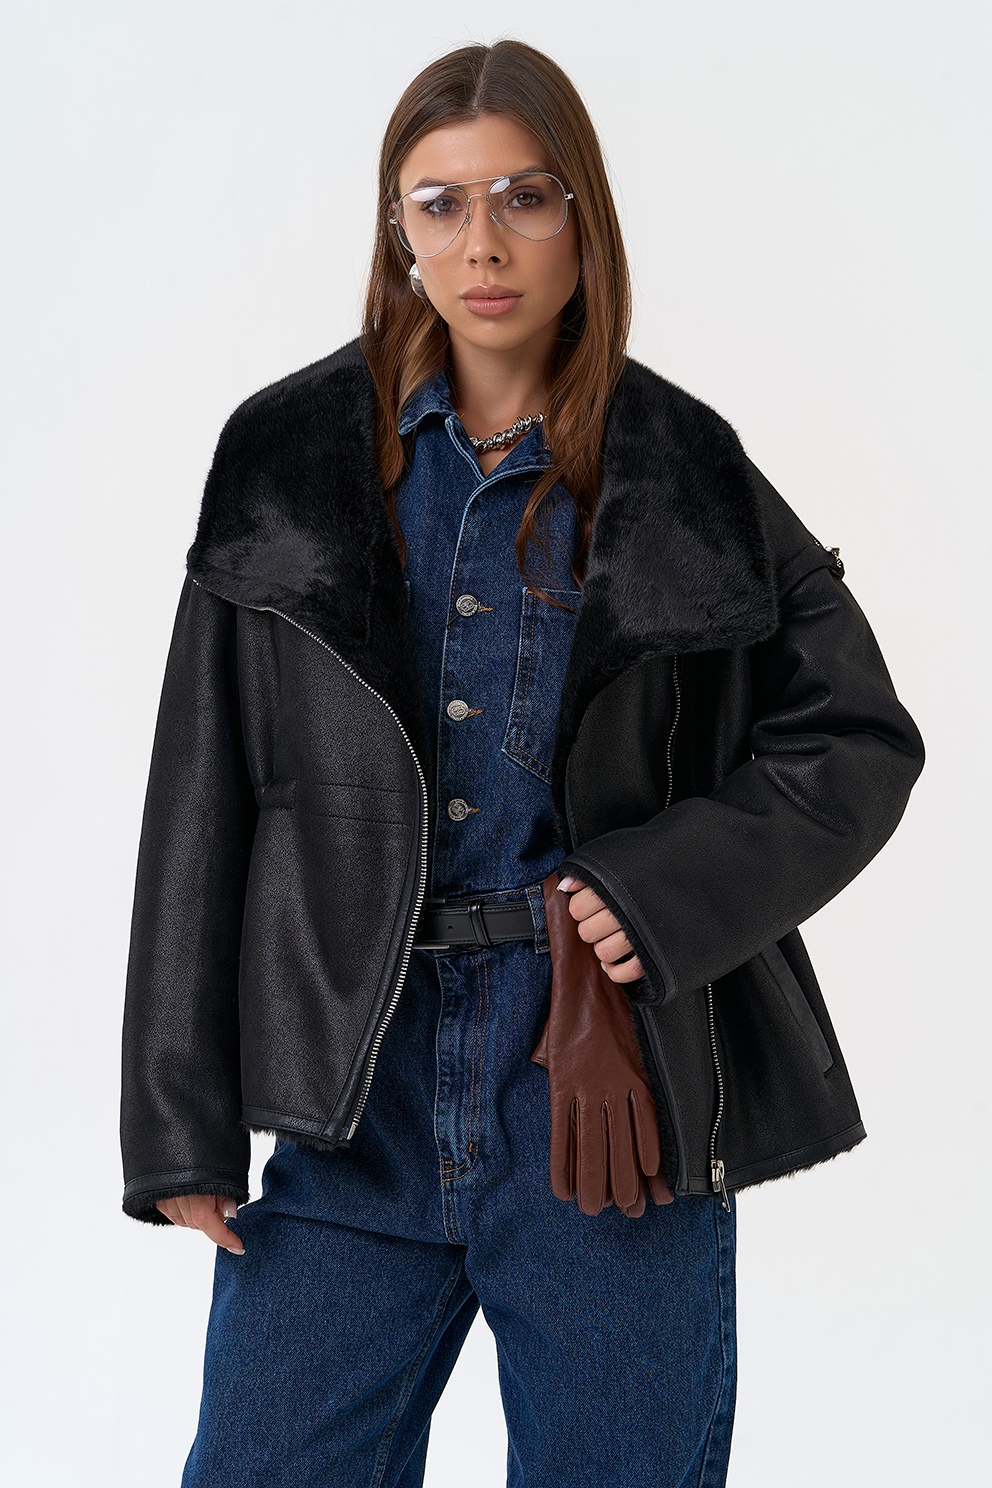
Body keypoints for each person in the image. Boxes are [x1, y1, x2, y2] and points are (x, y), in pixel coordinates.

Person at [119, 39, 924, 1488]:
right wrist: (176, 1121)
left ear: (581, 219)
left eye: (524, 197)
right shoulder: (285, 456)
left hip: (606, 1108)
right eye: (440, 204)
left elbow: (857, 735)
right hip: (351, 1101)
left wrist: (658, 892)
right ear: (398, 230)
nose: (481, 243)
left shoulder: (684, 466)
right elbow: (202, 785)